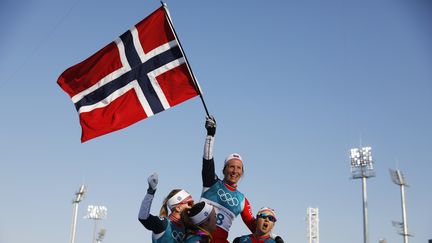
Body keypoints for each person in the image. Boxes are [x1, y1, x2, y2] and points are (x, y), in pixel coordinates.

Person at [200, 116, 256, 242]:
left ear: (242, 172)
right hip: (199, 237)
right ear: (224, 170)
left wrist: (274, 238)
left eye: (239, 168)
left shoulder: (242, 200)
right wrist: (210, 135)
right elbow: (207, 160)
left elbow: (256, 228)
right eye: (231, 167)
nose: (235, 171)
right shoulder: (212, 183)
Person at [138, 173, 194, 243]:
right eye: (189, 203)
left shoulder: (188, 228)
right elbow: (143, 217)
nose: (192, 207)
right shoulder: (164, 224)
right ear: (178, 208)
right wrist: (150, 191)